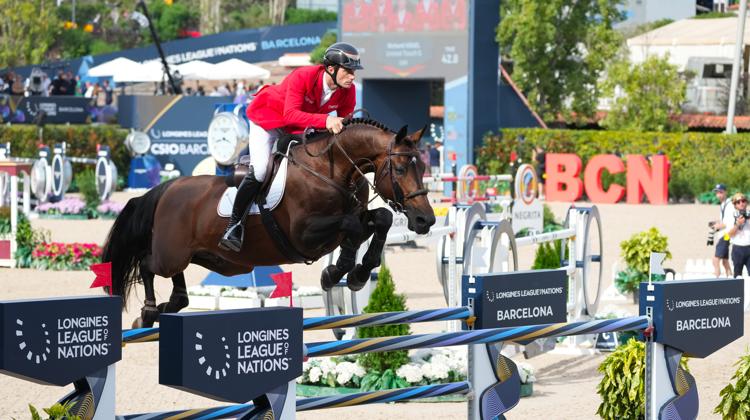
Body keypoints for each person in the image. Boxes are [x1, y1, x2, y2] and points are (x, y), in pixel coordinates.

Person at [218, 42, 362, 252]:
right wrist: (326, 121)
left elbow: (344, 123)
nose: (352, 76)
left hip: (297, 128)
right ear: (331, 69)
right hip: (267, 120)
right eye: (348, 71)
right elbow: (290, 114)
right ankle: (234, 226)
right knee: (260, 170)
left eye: (354, 72)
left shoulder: (347, 91)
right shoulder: (303, 76)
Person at [710, 184, 732, 277]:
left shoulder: (729, 204)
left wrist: (716, 227)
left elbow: (728, 223)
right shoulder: (723, 204)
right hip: (726, 234)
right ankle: (731, 278)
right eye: (717, 193)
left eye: (720, 192)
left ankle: (717, 279)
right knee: (725, 261)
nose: (718, 195)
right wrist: (716, 222)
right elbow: (724, 220)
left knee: (715, 260)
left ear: (725, 192)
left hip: (726, 235)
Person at [728, 192, 750, 278]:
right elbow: (728, 235)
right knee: (737, 275)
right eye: (738, 202)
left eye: (743, 201)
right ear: (735, 205)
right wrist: (737, 224)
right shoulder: (731, 216)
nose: (741, 203)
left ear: (746, 202)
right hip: (738, 248)